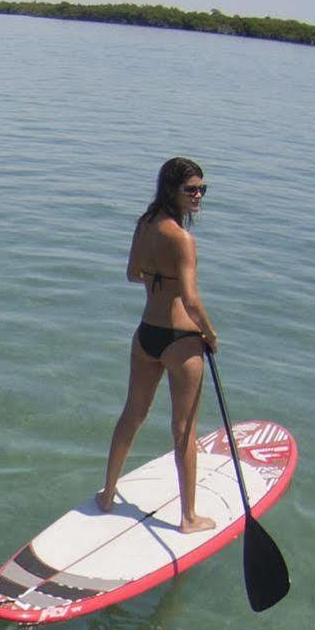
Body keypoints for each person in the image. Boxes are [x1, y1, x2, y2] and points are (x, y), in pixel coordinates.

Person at [98, 157, 220, 532]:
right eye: (191, 190)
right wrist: (210, 335)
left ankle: (107, 494)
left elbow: (133, 274)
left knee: (132, 414)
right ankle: (188, 518)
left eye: (202, 189)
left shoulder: (145, 225)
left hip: (146, 333)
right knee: (183, 429)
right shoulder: (182, 238)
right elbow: (192, 300)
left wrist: (157, 279)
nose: (198, 195)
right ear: (171, 190)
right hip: (182, 341)